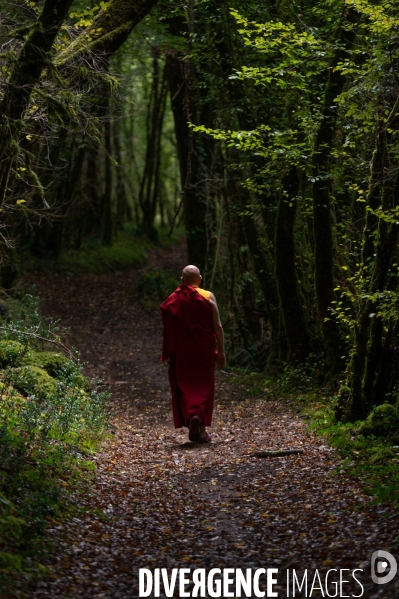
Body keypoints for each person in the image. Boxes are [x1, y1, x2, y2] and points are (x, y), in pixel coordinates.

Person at [160, 265, 226, 443]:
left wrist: (168, 351)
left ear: (182, 281)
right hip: (204, 349)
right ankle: (201, 427)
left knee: (184, 385)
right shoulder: (207, 296)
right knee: (204, 386)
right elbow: (218, 325)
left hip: (182, 350)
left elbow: (168, 328)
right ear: (200, 279)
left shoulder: (174, 298)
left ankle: (192, 420)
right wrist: (221, 351)